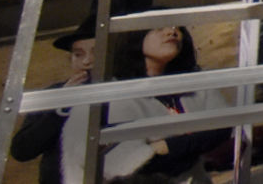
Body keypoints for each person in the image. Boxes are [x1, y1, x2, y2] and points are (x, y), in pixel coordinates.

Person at [61, 25, 231, 182]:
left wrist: (163, 146)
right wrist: (189, 144)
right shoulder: (110, 96)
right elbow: (126, 164)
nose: (171, 31)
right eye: (159, 27)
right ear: (136, 37)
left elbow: (222, 127)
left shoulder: (193, 84)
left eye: (176, 26)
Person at [9, 17, 95, 184]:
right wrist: (62, 105)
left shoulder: (125, 91)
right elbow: (21, 150)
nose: (87, 61)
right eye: (78, 54)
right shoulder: (53, 94)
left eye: (96, 52)